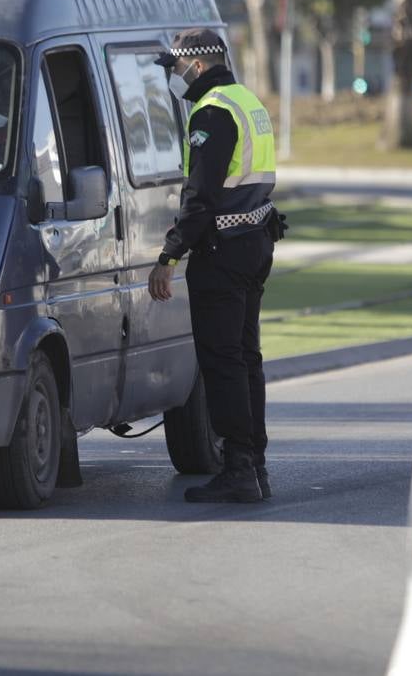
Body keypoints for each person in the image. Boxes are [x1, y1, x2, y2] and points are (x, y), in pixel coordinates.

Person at [147, 28, 283, 504]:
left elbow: (200, 196)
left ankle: (239, 467)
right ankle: (255, 464)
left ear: (197, 66)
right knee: (246, 359)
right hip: (254, 241)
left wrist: (169, 254)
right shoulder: (248, 101)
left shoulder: (212, 112)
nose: (174, 77)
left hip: (222, 251)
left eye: (176, 68)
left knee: (223, 362)